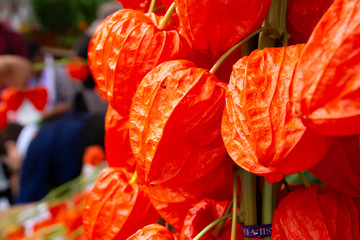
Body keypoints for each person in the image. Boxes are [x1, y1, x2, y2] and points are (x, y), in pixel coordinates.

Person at [0, 111, 105, 204]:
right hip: (102, 125)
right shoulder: (43, 130)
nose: (11, 168)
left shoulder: (34, 149)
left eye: (7, 163)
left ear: (10, 147)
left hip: (99, 146)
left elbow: (28, 199)